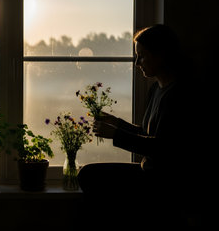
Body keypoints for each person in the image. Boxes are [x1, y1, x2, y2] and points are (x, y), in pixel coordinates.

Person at [77, 24, 203, 228]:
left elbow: (164, 148)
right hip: (150, 174)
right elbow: (147, 134)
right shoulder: (157, 89)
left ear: (161, 54)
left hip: (165, 183)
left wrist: (116, 134)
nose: (137, 63)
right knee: (87, 174)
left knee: (91, 181)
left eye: (142, 56)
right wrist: (117, 123)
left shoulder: (183, 95)